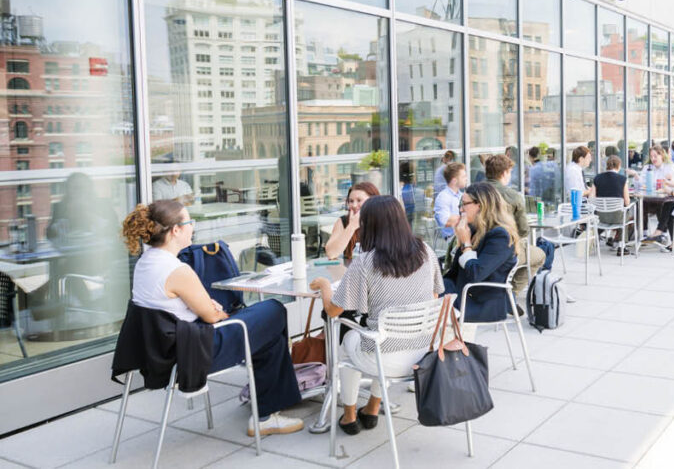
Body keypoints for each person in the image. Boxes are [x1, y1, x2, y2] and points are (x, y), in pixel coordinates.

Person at [120, 200, 303, 437]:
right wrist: (213, 309)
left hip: (164, 353)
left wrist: (207, 308)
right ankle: (266, 412)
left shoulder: (146, 263)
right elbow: (213, 316)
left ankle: (267, 414)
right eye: (189, 222)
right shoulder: (177, 270)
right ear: (176, 230)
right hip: (193, 354)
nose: (192, 228)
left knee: (268, 336)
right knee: (274, 311)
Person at [309, 196, 442, 436]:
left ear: (370, 226)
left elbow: (333, 311)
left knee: (347, 339)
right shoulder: (427, 251)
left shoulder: (365, 262)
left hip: (384, 358)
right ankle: (372, 408)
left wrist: (324, 286)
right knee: (383, 335)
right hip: (421, 352)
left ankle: (349, 415)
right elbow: (434, 295)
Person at [442, 182, 518, 329]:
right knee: (425, 294)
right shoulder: (474, 229)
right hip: (464, 293)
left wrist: (465, 243)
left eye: (464, 204)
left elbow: (476, 274)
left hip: (482, 303)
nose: (460, 209)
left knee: (428, 305)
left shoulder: (500, 235)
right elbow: (455, 272)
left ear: (480, 206)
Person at [484, 155, 552, 292]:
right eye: (509, 172)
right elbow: (523, 230)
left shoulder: (473, 192)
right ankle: (511, 293)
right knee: (540, 255)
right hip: (504, 250)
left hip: (477, 249)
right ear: (504, 173)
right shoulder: (512, 196)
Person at [640, 146, 674, 250]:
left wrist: (667, 184)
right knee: (640, 204)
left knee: (665, 204)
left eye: (655, 156)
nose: (653, 159)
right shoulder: (648, 168)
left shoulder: (670, 167)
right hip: (650, 198)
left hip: (668, 199)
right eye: (651, 156)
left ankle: (661, 234)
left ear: (662, 155)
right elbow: (642, 182)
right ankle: (645, 233)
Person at [324, 182, 380, 260]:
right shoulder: (343, 221)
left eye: (359, 200)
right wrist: (351, 227)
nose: (354, 205)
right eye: (351, 201)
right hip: (350, 270)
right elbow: (331, 253)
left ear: (372, 201)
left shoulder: (382, 221)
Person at [593, 155, 634, 255]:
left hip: (600, 218)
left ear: (607, 166)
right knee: (627, 215)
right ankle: (621, 246)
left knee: (619, 214)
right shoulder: (622, 179)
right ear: (619, 166)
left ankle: (609, 239)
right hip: (617, 218)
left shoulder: (597, 178)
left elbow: (591, 198)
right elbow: (627, 202)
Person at [433, 162, 467, 240]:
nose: (466, 179)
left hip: (464, 235)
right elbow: (445, 221)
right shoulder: (443, 197)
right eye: (463, 177)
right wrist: (467, 217)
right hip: (453, 239)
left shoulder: (462, 195)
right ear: (454, 181)